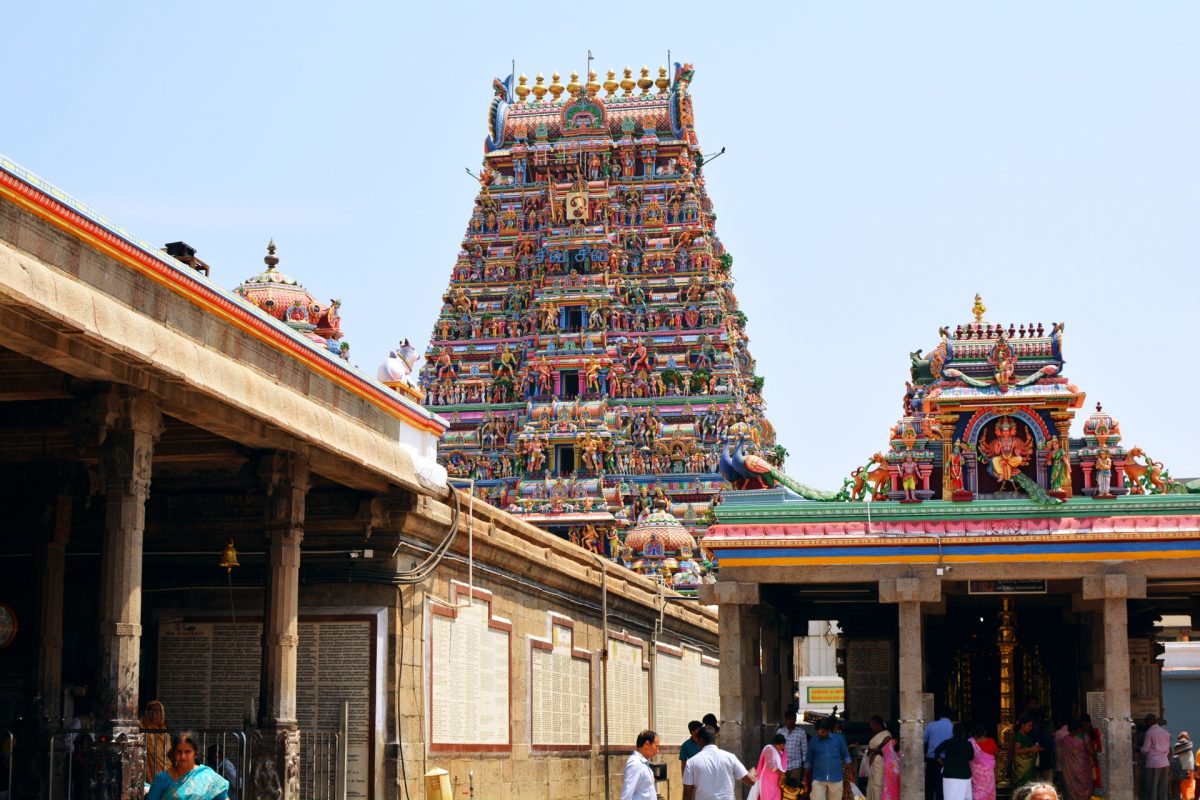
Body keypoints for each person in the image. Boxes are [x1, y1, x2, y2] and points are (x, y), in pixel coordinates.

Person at [146, 731, 230, 800]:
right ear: (174, 753)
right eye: (179, 752)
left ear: (196, 753)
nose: (182, 756)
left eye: (187, 752)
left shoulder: (208, 777)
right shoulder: (162, 779)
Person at [682, 725, 755, 800]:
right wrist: (752, 772)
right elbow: (751, 780)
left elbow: (687, 793)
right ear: (714, 739)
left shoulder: (691, 762)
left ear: (700, 740)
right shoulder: (730, 757)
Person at [805, 718, 851, 800]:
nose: (820, 734)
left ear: (828, 730)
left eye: (823, 732)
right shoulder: (813, 741)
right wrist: (804, 778)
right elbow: (808, 760)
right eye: (818, 732)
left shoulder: (838, 739)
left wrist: (851, 773)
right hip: (818, 779)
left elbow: (846, 757)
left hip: (836, 778)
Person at [934, 723, 974, 800]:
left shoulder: (947, 742)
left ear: (953, 732)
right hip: (964, 774)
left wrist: (943, 764)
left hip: (949, 774)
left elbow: (936, 751)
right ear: (964, 733)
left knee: (950, 796)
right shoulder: (968, 744)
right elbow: (971, 757)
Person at [1058, 720, 1094, 800]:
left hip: (1070, 770)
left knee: (1071, 788)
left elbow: (1062, 756)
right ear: (1078, 728)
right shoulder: (1084, 736)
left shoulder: (1065, 739)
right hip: (1083, 768)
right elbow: (1091, 751)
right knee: (1085, 787)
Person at [621, 729, 659, 800]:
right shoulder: (635, 763)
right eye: (656, 746)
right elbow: (627, 795)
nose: (657, 750)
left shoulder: (643, 762)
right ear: (647, 744)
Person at [924, 708, 953, 800]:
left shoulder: (930, 725)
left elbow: (924, 740)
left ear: (940, 716)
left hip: (931, 760)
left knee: (930, 787)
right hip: (945, 761)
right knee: (942, 788)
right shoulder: (953, 727)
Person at [777, 707, 808, 787]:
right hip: (782, 766)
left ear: (795, 719)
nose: (791, 721)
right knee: (782, 787)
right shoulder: (780, 731)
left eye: (792, 719)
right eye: (789, 719)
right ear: (785, 720)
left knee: (793, 789)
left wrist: (804, 772)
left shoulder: (801, 733)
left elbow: (804, 752)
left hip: (796, 766)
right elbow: (776, 749)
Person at [1143, 714, 1171, 800]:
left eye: (1146, 722)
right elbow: (1168, 749)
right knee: (1163, 788)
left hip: (1154, 763)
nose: (1146, 724)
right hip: (1165, 763)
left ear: (1150, 722)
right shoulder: (1166, 732)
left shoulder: (1149, 732)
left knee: (1153, 787)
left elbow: (1145, 749)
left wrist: (1139, 749)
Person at [865, 716, 893, 800]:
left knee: (879, 784)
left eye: (873, 724)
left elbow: (888, 749)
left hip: (881, 764)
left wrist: (875, 751)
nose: (872, 727)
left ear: (879, 725)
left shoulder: (886, 734)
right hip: (873, 763)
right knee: (873, 784)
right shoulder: (875, 734)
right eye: (871, 725)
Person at [752, 733, 787, 800]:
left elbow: (783, 764)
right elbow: (770, 765)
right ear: (774, 743)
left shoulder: (782, 751)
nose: (781, 748)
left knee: (777, 797)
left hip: (776, 780)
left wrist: (782, 775)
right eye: (779, 746)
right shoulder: (768, 749)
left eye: (783, 746)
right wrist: (781, 773)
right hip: (766, 779)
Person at [142, 700, 170, 780]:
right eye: (151, 712)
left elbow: (167, 751)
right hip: (148, 770)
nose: (154, 715)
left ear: (162, 715)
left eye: (157, 712)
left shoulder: (164, 731)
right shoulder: (142, 728)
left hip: (163, 766)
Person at [968, 724, 996, 800]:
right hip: (988, 773)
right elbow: (996, 754)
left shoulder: (970, 742)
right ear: (985, 732)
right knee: (989, 792)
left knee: (977, 791)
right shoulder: (991, 742)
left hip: (976, 773)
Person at [1013, 716, 1042, 787]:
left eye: (1031, 726)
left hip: (1029, 767)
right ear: (1022, 725)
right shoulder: (1019, 736)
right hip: (1022, 767)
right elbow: (1017, 751)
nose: (1030, 728)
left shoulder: (1027, 735)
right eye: (1028, 726)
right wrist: (1031, 749)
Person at [1175, 731, 1195, 800]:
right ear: (1187, 737)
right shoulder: (1190, 744)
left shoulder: (1177, 745)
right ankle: (1188, 798)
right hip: (1189, 768)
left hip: (1181, 768)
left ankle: (1185, 798)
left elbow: (1175, 754)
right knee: (1189, 785)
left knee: (1183, 785)